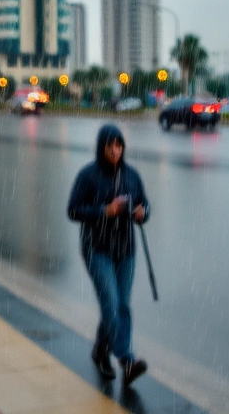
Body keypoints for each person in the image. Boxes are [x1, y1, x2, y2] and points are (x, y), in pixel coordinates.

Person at [66, 124, 150, 386]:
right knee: (111, 303)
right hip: (97, 249)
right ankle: (126, 359)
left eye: (119, 145)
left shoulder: (131, 176)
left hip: (125, 250)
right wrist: (104, 210)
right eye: (110, 146)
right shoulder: (88, 176)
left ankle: (102, 351)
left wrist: (142, 213)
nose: (115, 151)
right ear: (101, 148)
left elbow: (145, 204)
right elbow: (73, 210)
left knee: (120, 306)